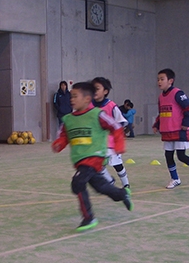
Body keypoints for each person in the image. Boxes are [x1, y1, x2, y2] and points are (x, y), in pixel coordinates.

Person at [52, 81, 133, 232]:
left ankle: (88, 217)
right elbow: (64, 135)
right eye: (71, 96)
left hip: (95, 156)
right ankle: (121, 194)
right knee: (101, 186)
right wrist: (59, 144)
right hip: (80, 159)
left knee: (77, 182)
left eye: (75, 96)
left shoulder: (97, 114)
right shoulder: (68, 119)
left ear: (87, 99)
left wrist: (119, 146)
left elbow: (115, 127)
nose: (72, 99)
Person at [151, 68, 189, 189]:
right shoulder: (160, 97)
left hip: (179, 131)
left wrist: (186, 123)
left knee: (181, 156)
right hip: (167, 132)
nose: (159, 81)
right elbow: (161, 113)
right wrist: (156, 124)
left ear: (170, 81)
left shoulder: (178, 93)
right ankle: (175, 178)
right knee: (168, 156)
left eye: (162, 79)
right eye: (158, 79)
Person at [92, 76, 130, 189]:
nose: (94, 91)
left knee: (117, 165)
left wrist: (116, 133)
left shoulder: (111, 106)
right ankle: (110, 181)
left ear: (105, 91)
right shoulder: (90, 106)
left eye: (97, 88)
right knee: (98, 164)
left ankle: (126, 184)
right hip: (98, 142)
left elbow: (122, 122)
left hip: (111, 142)